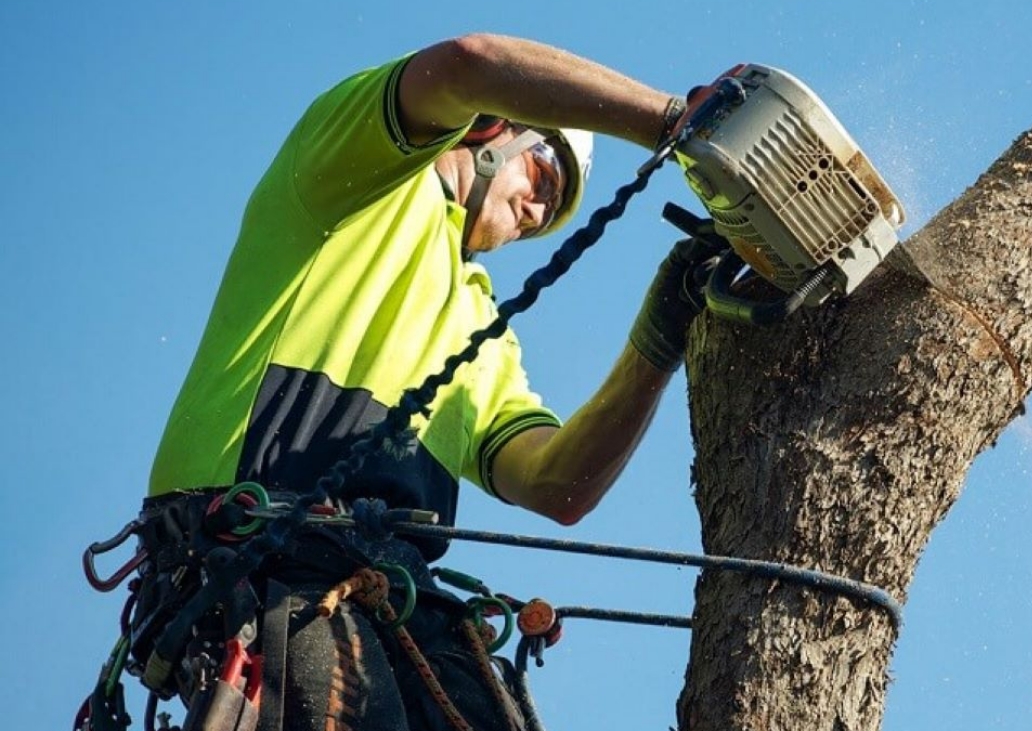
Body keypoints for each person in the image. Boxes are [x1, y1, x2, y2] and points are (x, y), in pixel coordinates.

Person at [131, 33, 720, 731]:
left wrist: (659, 336)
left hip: (392, 597)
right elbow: (469, 64)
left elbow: (558, 483)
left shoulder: (480, 322)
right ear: (493, 128)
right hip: (261, 554)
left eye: (554, 211)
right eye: (543, 178)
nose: (537, 214)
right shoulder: (349, 177)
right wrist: (674, 117)